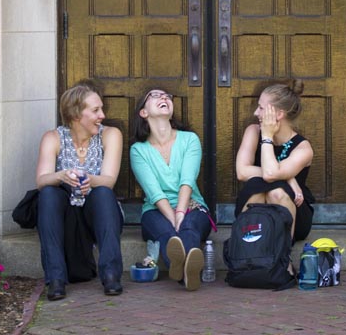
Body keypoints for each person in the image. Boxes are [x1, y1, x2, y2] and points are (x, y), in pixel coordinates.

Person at [35, 80, 124, 301]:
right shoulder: (53, 138)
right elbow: (41, 179)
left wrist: (90, 180)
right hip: (65, 216)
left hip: (97, 213)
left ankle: (111, 275)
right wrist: (62, 176)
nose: (102, 115)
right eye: (95, 110)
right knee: (47, 193)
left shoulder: (110, 134)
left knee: (103, 192)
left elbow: (109, 180)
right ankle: (55, 280)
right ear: (76, 115)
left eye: (101, 109)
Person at [129, 86, 213, 290]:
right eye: (155, 95)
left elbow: (187, 180)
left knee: (189, 227)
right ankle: (188, 273)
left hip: (192, 206)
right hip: (156, 211)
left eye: (167, 96)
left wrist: (181, 212)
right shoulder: (138, 150)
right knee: (168, 234)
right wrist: (172, 216)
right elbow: (154, 192)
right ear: (144, 112)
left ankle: (182, 271)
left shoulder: (189, 139)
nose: (164, 97)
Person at [234, 79, 314, 242]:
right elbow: (242, 172)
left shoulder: (303, 148)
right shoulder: (253, 131)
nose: (256, 112)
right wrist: (288, 177)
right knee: (258, 191)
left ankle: (283, 260)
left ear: (278, 114)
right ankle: (246, 254)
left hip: (294, 212)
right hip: (257, 203)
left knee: (276, 192)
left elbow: (271, 174)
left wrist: (268, 136)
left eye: (261, 108)